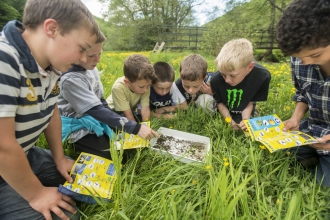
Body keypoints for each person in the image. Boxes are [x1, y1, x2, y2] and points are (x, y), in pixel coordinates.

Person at [0, 0, 104, 219]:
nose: (84, 59)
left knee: (85, 184)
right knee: (64, 215)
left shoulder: (51, 67)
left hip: (25, 154)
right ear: (52, 29)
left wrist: (59, 158)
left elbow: (52, 112)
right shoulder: (5, 59)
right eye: (82, 49)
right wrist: (36, 194)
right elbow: (2, 144)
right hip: (4, 163)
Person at [58, 39, 158, 161]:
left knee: (124, 147)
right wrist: (135, 128)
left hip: (96, 118)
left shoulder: (91, 68)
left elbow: (101, 101)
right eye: (92, 55)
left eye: (99, 54)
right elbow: (95, 109)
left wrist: (127, 126)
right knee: (113, 156)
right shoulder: (70, 80)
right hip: (77, 127)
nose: (98, 60)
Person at [276, 0, 330, 187]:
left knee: (322, 186)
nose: (305, 62)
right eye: (299, 57)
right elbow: (303, 93)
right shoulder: (300, 57)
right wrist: (295, 118)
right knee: (277, 156)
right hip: (311, 131)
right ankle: (314, 159)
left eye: (315, 55)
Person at [210, 38, 271, 130]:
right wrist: (229, 120)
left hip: (246, 107)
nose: (227, 80)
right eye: (223, 74)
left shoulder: (262, 77)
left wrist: (245, 120)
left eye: (233, 75)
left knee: (248, 126)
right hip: (225, 108)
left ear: (250, 67)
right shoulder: (215, 79)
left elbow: (250, 101)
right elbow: (220, 103)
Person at [106, 54, 156, 122]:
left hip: (128, 110)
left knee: (139, 117)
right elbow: (128, 114)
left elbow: (145, 108)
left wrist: (146, 125)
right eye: (141, 87)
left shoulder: (145, 85)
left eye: (148, 85)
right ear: (127, 82)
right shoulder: (118, 88)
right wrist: (137, 130)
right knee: (121, 122)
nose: (145, 89)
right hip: (113, 111)